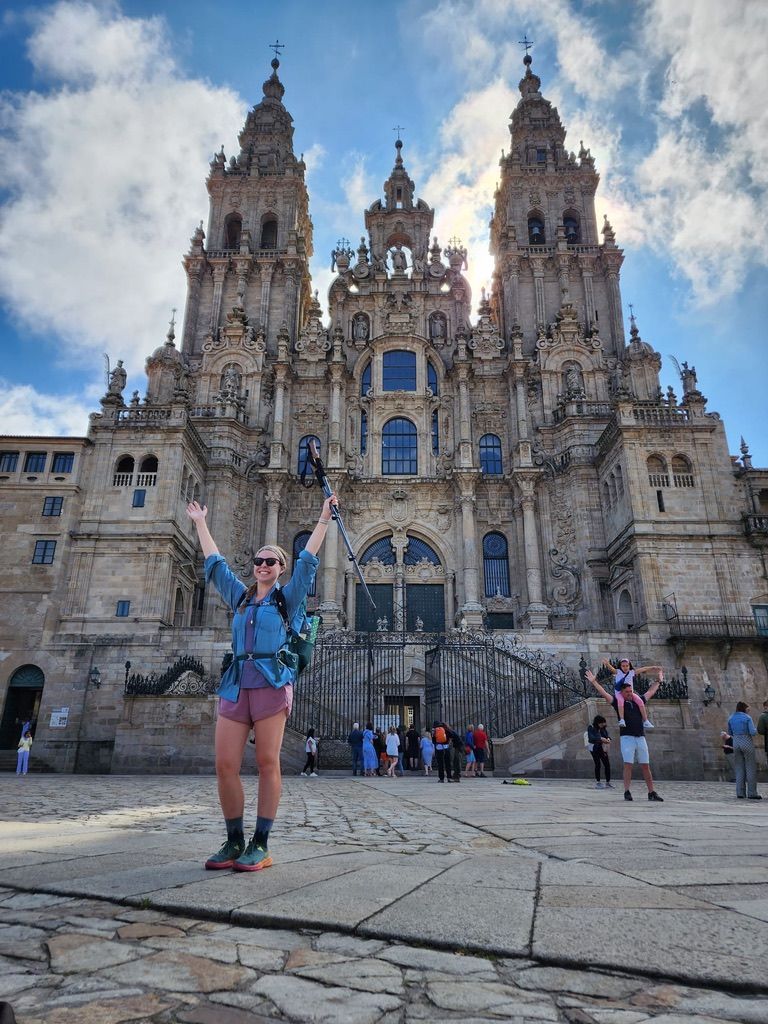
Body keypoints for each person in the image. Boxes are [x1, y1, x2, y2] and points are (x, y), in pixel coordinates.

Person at [186, 490, 337, 872]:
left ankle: (261, 842)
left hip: (271, 682)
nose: (263, 564)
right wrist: (201, 523)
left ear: (281, 568)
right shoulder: (240, 598)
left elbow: (309, 559)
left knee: (268, 761)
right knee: (224, 764)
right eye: (259, 560)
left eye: (271, 560)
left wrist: (323, 517)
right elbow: (216, 565)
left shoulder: (289, 598)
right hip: (237, 683)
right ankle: (234, 838)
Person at [586, 667, 664, 802]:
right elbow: (604, 693)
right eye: (627, 692)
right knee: (628, 764)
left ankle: (651, 792)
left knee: (646, 765)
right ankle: (627, 791)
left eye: (631, 691)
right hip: (627, 737)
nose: (629, 693)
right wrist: (594, 682)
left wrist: (659, 681)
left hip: (640, 737)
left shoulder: (638, 702)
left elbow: (651, 691)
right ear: (621, 692)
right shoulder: (618, 703)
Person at [601, 658, 661, 728]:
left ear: (629, 666)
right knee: (620, 701)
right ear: (620, 666)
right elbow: (612, 669)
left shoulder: (632, 672)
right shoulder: (618, 672)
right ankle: (622, 720)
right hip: (619, 693)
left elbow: (643, 669)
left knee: (640, 701)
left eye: (627, 666)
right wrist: (607, 664)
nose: (625, 667)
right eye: (623, 666)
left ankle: (645, 721)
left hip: (630, 693)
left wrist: (653, 667)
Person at [726, 701, 762, 800]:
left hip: (736, 742)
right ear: (744, 708)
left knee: (739, 768)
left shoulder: (731, 718)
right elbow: (752, 732)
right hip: (746, 741)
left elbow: (729, 732)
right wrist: (756, 730)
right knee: (750, 767)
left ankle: (740, 792)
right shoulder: (747, 718)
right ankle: (752, 793)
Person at [587, 714, 612, 789]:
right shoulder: (591, 727)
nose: (602, 725)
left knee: (607, 764)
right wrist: (601, 739)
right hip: (594, 748)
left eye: (603, 723)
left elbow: (607, 735)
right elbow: (591, 738)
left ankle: (608, 782)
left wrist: (608, 739)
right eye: (601, 723)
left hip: (602, 748)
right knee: (597, 764)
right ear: (597, 723)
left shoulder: (603, 728)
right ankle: (598, 782)